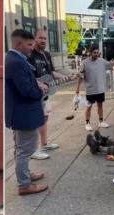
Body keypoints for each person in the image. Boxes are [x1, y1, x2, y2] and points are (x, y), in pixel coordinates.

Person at [5, 29, 48, 195]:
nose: (32, 47)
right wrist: (42, 90)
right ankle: (24, 184)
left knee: (20, 149)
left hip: (19, 114)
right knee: (24, 151)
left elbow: (23, 84)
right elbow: (28, 92)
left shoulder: (13, 60)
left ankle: (25, 175)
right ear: (19, 44)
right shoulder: (17, 63)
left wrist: (35, 84)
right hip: (25, 115)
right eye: (29, 44)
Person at [28, 29, 68, 160]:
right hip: (34, 93)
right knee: (34, 121)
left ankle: (44, 144)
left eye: (45, 38)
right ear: (34, 39)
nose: (43, 40)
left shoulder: (46, 55)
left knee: (44, 118)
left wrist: (66, 76)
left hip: (45, 94)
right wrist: (39, 84)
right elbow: (27, 76)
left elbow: (51, 72)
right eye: (40, 38)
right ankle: (33, 150)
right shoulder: (29, 54)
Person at [76, 45, 114, 131]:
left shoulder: (102, 61)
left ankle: (101, 121)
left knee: (100, 105)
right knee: (89, 106)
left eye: (98, 53)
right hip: (90, 89)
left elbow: (111, 64)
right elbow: (80, 76)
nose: (97, 54)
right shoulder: (84, 63)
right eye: (95, 53)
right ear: (90, 53)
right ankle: (87, 123)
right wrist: (77, 88)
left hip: (100, 89)